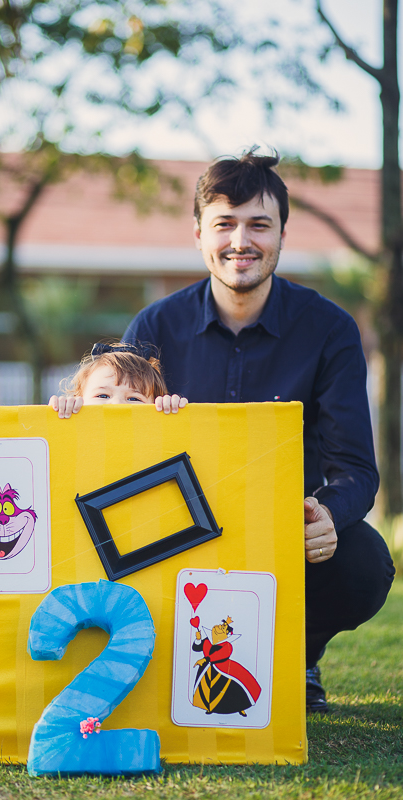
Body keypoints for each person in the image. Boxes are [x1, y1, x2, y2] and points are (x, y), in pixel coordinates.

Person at [123, 149, 395, 713]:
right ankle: (167, 662)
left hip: (282, 527)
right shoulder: (154, 327)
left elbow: (355, 469)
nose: (241, 241)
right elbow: (115, 438)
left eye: (259, 225)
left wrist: (327, 514)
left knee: (364, 562)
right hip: (177, 525)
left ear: (282, 235)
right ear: (199, 233)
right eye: (224, 223)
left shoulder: (330, 330)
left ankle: (297, 657)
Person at [49, 341, 187, 417]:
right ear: (79, 399)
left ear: (154, 405)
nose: (117, 404)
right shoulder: (72, 429)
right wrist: (56, 416)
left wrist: (171, 413)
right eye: (103, 395)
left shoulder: (158, 433)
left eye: (133, 398)